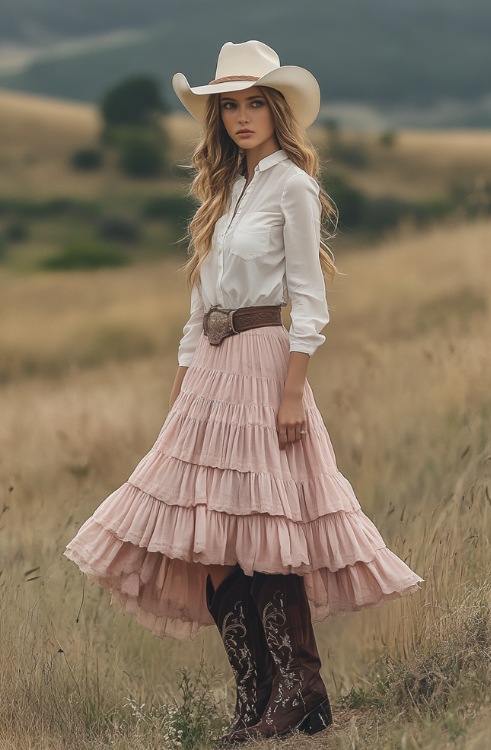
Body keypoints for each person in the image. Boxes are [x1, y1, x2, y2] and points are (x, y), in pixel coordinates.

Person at [64, 40, 423, 743]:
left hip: (265, 360)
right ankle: (256, 696)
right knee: (214, 541)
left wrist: (293, 392)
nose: (240, 117)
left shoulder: (290, 183)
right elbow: (201, 302)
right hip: (211, 368)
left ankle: (301, 689)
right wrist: (182, 382)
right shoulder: (224, 191)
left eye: (253, 102)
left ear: (278, 109)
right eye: (228, 105)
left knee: (263, 530)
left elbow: (307, 299)